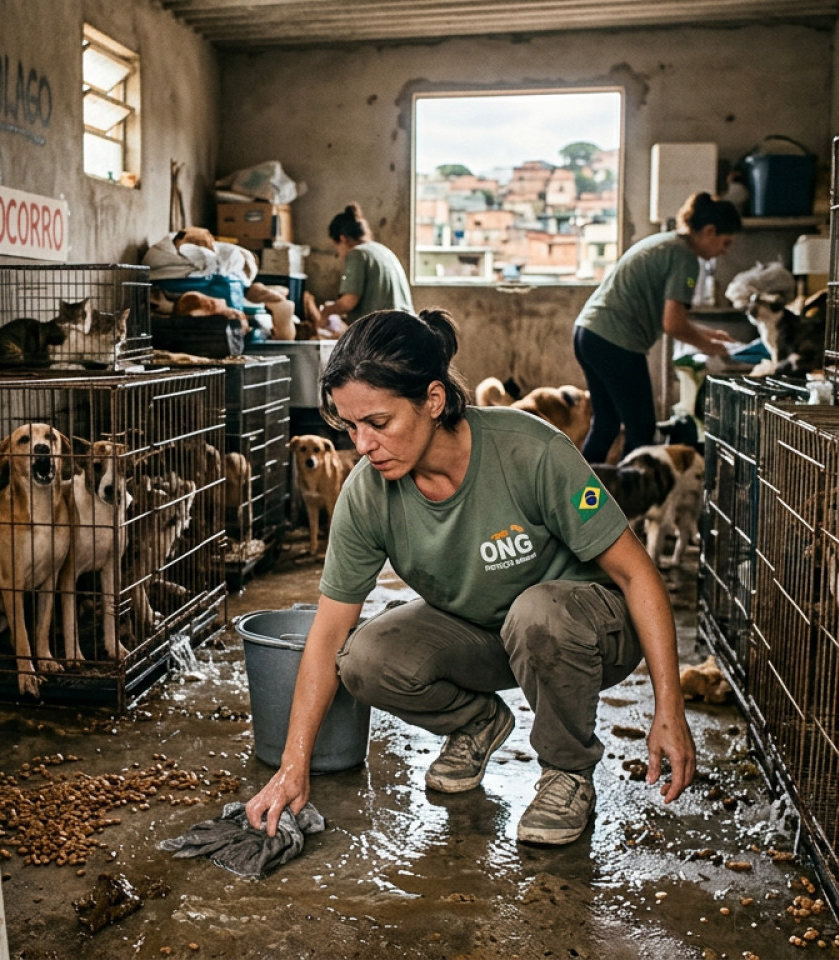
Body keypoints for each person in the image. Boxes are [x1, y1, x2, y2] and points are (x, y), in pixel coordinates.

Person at [244, 308, 695, 847]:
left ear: (433, 400)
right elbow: (327, 632)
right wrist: (294, 764)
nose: (362, 445)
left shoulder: (530, 450)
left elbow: (639, 575)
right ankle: (476, 722)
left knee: (537, 613)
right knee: (363, 657)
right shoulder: (368, 492)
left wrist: (670, 707)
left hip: (586, 633)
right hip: (487, 633)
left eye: (379, 423)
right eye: (350, 426)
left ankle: (567, 772)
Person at [572, 191, 742, 463]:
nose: (725, 251)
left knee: (606, 425)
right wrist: (710, 347)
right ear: (709, 231)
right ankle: (628, 501)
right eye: (726, 242)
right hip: (616, 342)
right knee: (641, 429)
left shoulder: (666, 244)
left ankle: (582, 502)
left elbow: (671, 317)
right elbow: (672, 324)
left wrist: (709, 334)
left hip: (589, 333)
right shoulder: (686, 258)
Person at [307, 203, 413, 335]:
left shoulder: (357, 254)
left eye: (337, 249)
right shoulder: (382, 251)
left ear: (343, 239)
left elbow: (348, 302)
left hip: (385, 333)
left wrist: (327, 311)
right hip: (407, 328)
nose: (340, 256)